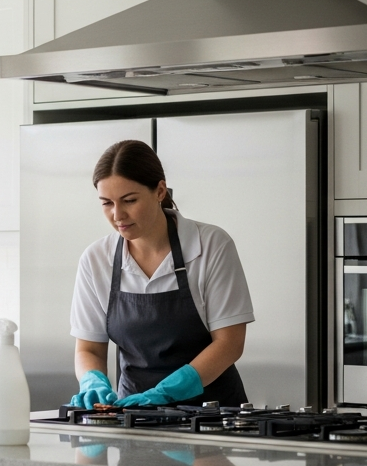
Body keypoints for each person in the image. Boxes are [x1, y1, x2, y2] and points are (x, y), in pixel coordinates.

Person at [67, 140, 253, 409]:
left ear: (159, 190)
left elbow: (229, 343)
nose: (117, 215)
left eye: (130, 200)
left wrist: (166, 392)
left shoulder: (211, 245)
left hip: (211, 416)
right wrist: (92, 381)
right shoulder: (97, 259)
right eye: (107, 203)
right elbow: (89, 348)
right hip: (134, 413)